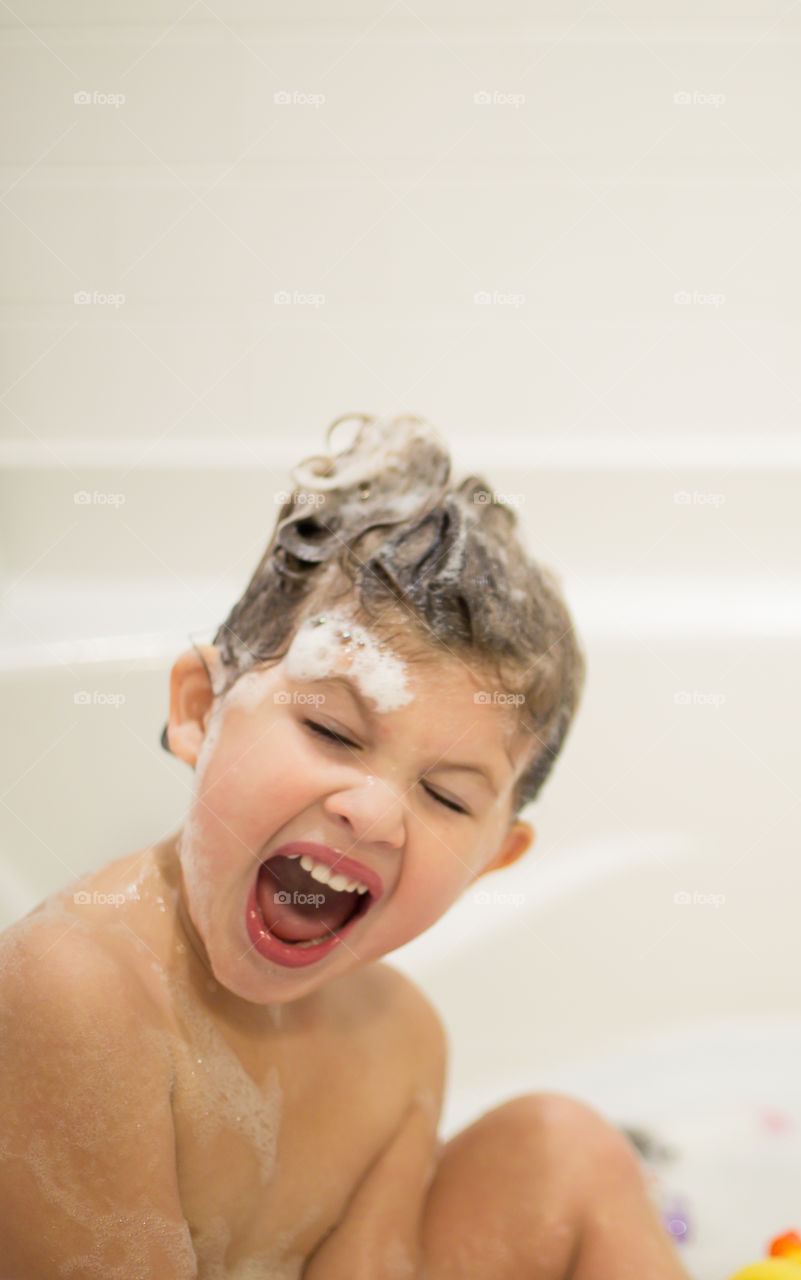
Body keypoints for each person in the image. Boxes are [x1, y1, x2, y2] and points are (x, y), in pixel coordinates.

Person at [0, 414, 692, 1278]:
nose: (372, 811)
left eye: (444, 796)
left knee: (566, 1149)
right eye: (332, 731)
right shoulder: (77, 991)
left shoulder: (399, 1042)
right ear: (199, 711)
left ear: (491, 860)